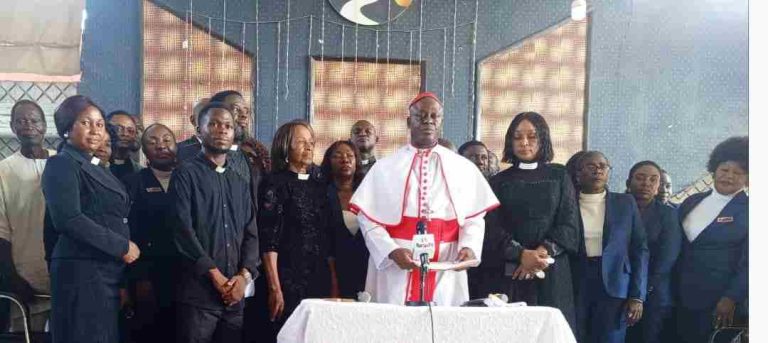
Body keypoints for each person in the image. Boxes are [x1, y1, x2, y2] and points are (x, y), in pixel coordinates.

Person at [350, 92, 499, 306]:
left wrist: (469, 247)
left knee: (442, 329)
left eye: (434, 116)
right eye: (421, 116)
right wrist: (390, 250)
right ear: (409, 121)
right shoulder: (384, 168)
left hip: (447, 262)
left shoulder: (463, 167)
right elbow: (368, 219)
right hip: (398, 263)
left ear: (441, 121)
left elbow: (475, 218)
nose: (428, 120)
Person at [42, 95, 140, 343]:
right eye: (86, 123)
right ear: (67, 129)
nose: (96, 130)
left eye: (99, 124)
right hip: (81, 273)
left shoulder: (95, 164)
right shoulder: (61, 164)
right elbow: (68, 218)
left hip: (104, 271)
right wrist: (121, 246)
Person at [475, 112, 580, 330]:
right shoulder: (498, 181)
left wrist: (540, 254)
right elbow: (493, 228)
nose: (524, 143)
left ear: (543, 139)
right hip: (511, 272)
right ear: (509, 141)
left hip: (552, 271)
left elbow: (569, 224)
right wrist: (522, 255)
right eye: (517, 137)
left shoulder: (559, 176)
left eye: (532, 136)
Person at [170, 101, 260, 343]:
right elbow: (182, 231)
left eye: (228, 126)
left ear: (234, 133)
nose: (222, 130)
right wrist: (215, 276)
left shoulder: (239, 181)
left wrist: (244, 276)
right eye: (214, 124)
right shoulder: (185, 174)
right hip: (198, 295)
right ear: (199, 131)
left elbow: (251, 232)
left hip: (235, 294)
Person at [258, 120, 334, 339]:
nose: (308, 147)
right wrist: (275, 287)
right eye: (301, 142)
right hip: (286, 278)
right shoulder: (275, 183)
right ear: (285, 147)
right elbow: (269, 240)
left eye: (311, 142)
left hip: (318, 277)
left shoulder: (320, 183)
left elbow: (327, 237)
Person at [675, 137, 748, 343]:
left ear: (748, 178)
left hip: (719, 301)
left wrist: (730, 298)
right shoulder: (692, 201)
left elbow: (751, 264)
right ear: (714, 169)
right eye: (724, 170)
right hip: (679, 294)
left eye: (738, 172)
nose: (729, 176)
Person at [573, 151, 649, 343]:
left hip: (615, 284)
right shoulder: (568, 202)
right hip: (576, 282)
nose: (598, 170)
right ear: (578, 173)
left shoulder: (625, 203)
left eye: (603, 166)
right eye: (591, 166)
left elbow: (639, 249)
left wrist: (637, 296)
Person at [0, 100, 55, 332]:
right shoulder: (3, 170)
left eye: (34, 120)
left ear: (44, 126)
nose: (28, 126)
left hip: (66, 272)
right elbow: (1, 230)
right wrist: (11, 276)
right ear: (12, 127)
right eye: (21, 121)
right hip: (25, 274)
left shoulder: (63, 162)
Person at [122, 123, 180, 342]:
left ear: (176, 145)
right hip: (147, 274)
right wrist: (137, 278)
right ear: (144, 150)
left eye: (166, 140)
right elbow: (128, 233)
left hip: (187, 274)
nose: (161, 146)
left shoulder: (190, 178)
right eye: (152, 142)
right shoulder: (133, 182)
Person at [624, 161, 682, 343]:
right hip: (617, 289)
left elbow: (668, 257)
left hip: (653, 292)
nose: (646, 183)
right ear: (628, 182)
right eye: (640, 178)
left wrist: (640, 291)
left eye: (653, 179)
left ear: (658, 186)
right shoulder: (617, 209)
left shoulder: (668, 214)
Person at [321, 140, 368, 298]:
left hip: (368, 270)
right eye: (338, 155)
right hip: (333, 271)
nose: (345, 159)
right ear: (328, 161)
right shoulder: (322, 194)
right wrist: (333, 281)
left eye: (350, 156)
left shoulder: (367, 192)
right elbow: (325, 241)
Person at [107, 110, 141, 180]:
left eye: (130, 130)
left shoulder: (139, 171)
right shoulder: (94, 162)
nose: (125, 134)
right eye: (119, 129)